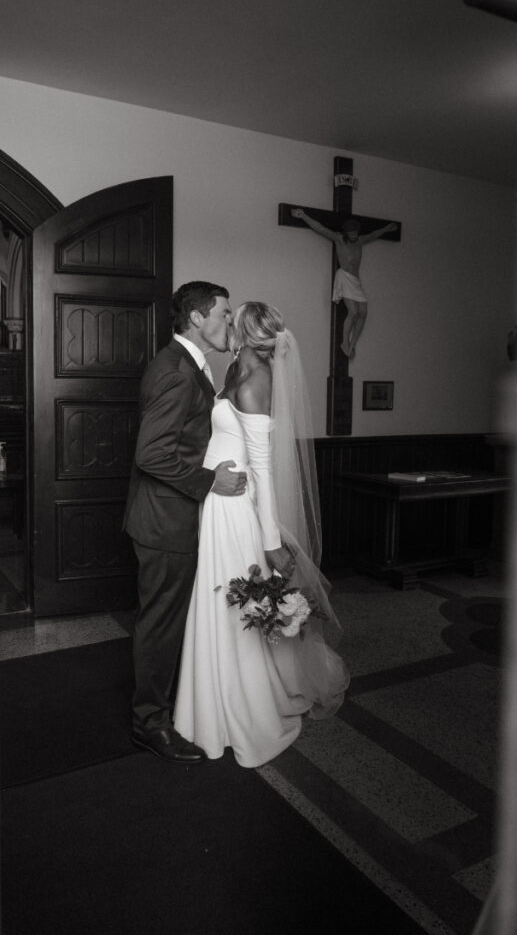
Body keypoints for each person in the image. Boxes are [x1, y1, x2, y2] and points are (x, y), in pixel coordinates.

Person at [173, 302, 350, 768]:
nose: (225, 324)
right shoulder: (233, 368)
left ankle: (243, 709)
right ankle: (208, 704)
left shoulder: (254, 383)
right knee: (216, 606)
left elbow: (265, 470)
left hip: (235, 514)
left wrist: (271, 541)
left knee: (232, 609)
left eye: (233, 320)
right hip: (215, 505)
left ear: (249, 334)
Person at [124, 281, 248, 764]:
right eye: (224, 312)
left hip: (169, 518)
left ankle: (164, 710)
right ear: (197, 318)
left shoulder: (188, 366)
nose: (230, 321)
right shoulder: (177, 370)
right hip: (164, 523)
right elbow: (151, 453)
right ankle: (148, 724)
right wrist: (209, 482)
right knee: (159, 625)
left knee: (166, 622)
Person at [291, 207, 397, 358]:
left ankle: (353, 343)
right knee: (353, 312)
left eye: (355, 232)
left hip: (356, 280)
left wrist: (387, 228)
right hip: (344, 276)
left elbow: (374, 234)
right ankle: (345, 343)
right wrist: (304, 216)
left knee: (363, 313)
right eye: (351, 232)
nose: (353, 235)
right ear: (346, 232)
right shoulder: (339, 239)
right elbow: (320, 228)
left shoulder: (360, 241)